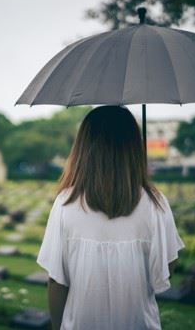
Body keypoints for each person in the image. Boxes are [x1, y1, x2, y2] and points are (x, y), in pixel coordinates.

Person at [36, 105, 185, 330]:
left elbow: (57, 281)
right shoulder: (156, 203)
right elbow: (167, 267)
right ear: (133, 147)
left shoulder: (65, 203)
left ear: (84, 148)